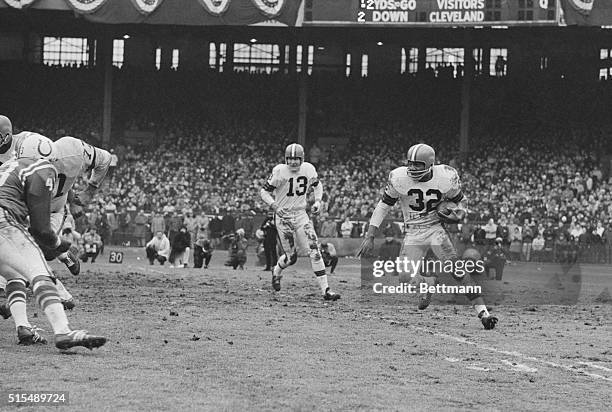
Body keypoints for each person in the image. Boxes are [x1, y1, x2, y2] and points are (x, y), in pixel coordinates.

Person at [357, 143, 498, 330]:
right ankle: (428, 283)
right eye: (410, 164)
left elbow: (461, 202)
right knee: (405, 277)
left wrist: (457, 213)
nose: (413, 169)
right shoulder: (398, 178)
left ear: (430, 165)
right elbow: (383, 206)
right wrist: (370, 235)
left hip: (435, 229)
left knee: (457, 271)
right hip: (413, 231)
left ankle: (483, 314)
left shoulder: (445, 176)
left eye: (418, 165)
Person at [0, 154, 106, 349]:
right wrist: (60, 246)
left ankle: (23, 327)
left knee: (14, 276)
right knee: (41, 273)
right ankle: (63, 331)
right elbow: (42, 231)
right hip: (3, 221)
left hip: (6, 221)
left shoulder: (7, 168)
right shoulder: (42, 168)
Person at [260, 143, 340, 301]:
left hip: (301, 215)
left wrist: (317, 201)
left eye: (297, 159)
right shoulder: (279, 171)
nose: (293, 162)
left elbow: (318, 185)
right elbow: (264, 191)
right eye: (290, 159)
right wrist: (275, 206)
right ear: (285, 159)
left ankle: (326, 290)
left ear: (302, 159)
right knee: (291, 257)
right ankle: (276, 272)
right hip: (284, 217)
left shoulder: (309, 169)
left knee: (315, 250)